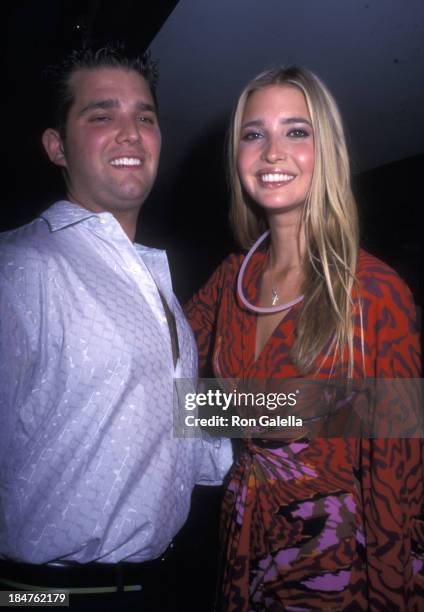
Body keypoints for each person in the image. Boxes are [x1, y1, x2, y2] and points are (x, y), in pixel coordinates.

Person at [0, 43, 231, 610]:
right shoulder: (20, 268)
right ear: (57, 146)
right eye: (101, 115)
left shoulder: (158, 290)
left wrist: (376, 406)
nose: (130, 133)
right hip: (45, 596)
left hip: (158, 586)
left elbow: (188, 423)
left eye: (144, 117)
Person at [185, 66, 423, 610]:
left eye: (296, 131)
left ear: (327, 152)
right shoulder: (230, 280)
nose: (272, 151)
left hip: (333, 567)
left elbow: (398, 487)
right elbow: (160, 378)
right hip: (240, 548)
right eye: (254, 133)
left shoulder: (376, 292)